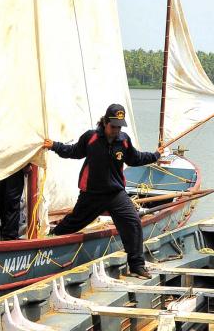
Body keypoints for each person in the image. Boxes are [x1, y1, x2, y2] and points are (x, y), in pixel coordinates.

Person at [42, 103, 162, 279]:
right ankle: (48, 242)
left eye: (119, 126)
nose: (116, 130)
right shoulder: (91, 138)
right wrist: (54, 145)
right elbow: (73, 151)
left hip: (115, 194)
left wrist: (155, 155)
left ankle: (137, 265)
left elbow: (135, 158)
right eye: (113, 126)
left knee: (133, 223)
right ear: (105, 122)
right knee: (72, 223)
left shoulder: (124, 140)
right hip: (92, 194)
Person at [0, 165, 29, 240]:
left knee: (11, 204)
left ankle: (9, 239)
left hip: (15, 164)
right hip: (0, 165)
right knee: (1, 202)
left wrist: (28, 162)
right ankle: (5, 236)